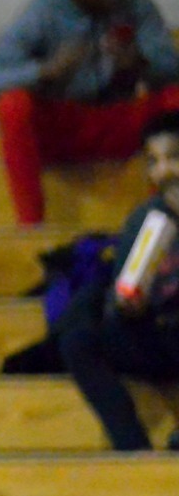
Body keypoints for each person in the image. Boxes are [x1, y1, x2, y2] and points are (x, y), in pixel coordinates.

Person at [0, 0, 179, 226]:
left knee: (174, 98)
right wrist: (45, 71)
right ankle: (31, 226)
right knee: (13, 105)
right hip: (65, 126)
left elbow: (171, 65)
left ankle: (167, 215)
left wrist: (139, 64)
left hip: (120, 120)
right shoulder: (45, 10)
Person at [54, 110, 179, 451]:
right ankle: (132, 448)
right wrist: (128, 307)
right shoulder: (144, 219)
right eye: (153, 161)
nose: (163, 171)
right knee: (79, 341)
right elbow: (123, 292)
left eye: (173, 158)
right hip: (158, 335)